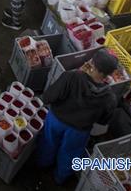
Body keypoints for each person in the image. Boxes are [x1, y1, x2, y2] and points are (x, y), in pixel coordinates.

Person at [37, 49, 119, 185]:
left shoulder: (72, 77)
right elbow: (103, 121)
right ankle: (60, 177)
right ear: (110, 74)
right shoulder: (110, 98)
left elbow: (49, 97)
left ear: (92, 63)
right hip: (79, 131)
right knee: (70, 154)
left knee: (48, 142)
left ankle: (42, 163)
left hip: (56, 120)